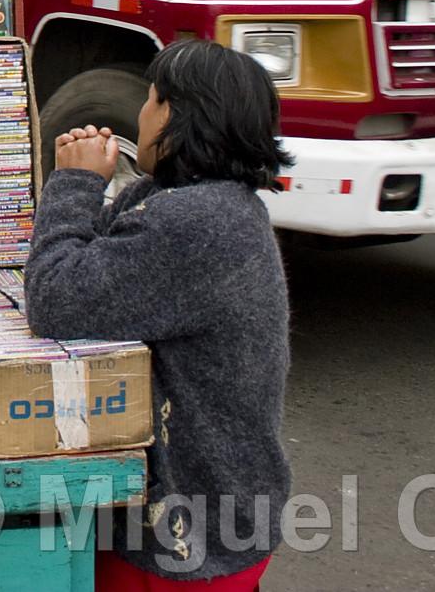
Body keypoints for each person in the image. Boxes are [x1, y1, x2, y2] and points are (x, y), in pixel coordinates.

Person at [25, 41, 292, 590]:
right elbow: (105, 256)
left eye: (150, 101)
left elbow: (56, 298)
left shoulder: (198, 222)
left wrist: (74, 184)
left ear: (174, 115)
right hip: (217, 508)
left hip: (188, 530)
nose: (140, 116)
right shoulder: (202, 200)